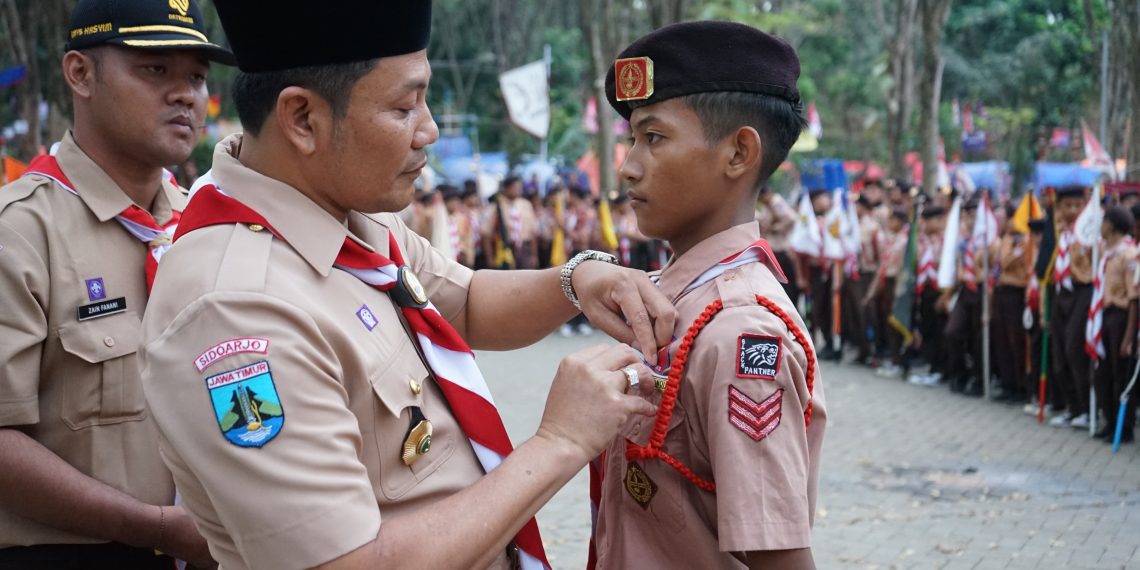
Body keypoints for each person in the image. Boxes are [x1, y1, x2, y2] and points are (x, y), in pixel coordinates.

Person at [137, 2, 677, 569]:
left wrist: (577, 278)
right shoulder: (237, 309)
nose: (430, 130)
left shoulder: (348, 215)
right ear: (301, 119)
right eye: (404, 106)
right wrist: (560, 441)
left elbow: (464, 301)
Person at [0, 0, 233, 567]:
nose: (186, 95)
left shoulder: (207, 226)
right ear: (80, 73)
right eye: (155, 70)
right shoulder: (22, 232)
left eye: (197, 77)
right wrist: (158, 527)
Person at [591, 21, 826, 569]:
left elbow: (778, 557)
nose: (627, 167)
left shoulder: (739, 330)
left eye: (654, 138)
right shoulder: (682, 299)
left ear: (739, 153)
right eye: (632, 139)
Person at [1049, 185, 1095, 428]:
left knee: (1074, 349)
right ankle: (1072, 407)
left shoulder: (1090, 234)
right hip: (1060, 293)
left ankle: (1089, 408)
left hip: (1082, 291)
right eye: (1067, 205)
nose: (1073, 210)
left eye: (1077, 205)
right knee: (1059, 353)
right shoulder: (1057, 232)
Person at [1091, 207, 1138, 443]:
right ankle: (1109, 420)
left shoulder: (1128, 255)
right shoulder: (1107, 253)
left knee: (1121, 374)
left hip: (1120, 318)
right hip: (1105, 317)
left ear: (1111, 225)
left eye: (1103, 221)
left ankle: (1124, 426)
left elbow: (1133, 299)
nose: (1101, 225)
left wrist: (1129, 337)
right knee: (1104, 372)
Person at [942, 196, 985, 396]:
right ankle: (960, 373)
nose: (970, 218)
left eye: (974, 214)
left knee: (979, 338)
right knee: (953, 331)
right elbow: (959, 266)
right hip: (965, 290)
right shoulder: (964, 240)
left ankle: (979, 378)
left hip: (982, 292)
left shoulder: (987, 240)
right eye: (967, 214)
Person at [991, 205, 1032, 404]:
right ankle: (1008, 384)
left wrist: (1016, 250)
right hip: (1001, 292)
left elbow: (1006, 261)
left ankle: (1021, 386)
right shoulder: (1007, 240)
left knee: (1016, 341)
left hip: (1017, 294)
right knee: (1002, 341)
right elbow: (1002, 264)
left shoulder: (1026, 241)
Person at [909, 204, 947, 385]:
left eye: (929, 220)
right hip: (925, 290)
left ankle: (941, 368)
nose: (925, 224)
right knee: (928, 329)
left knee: (941, 331)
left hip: (940, 290)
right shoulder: (922, 240)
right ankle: (933, 367)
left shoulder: (946, 240)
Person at [755, 184, 800, 303]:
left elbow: (791, 219)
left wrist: (775, 228)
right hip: (774, 249)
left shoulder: (776, 202)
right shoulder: (767, 206)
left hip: (781, 249)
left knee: (786, 286)